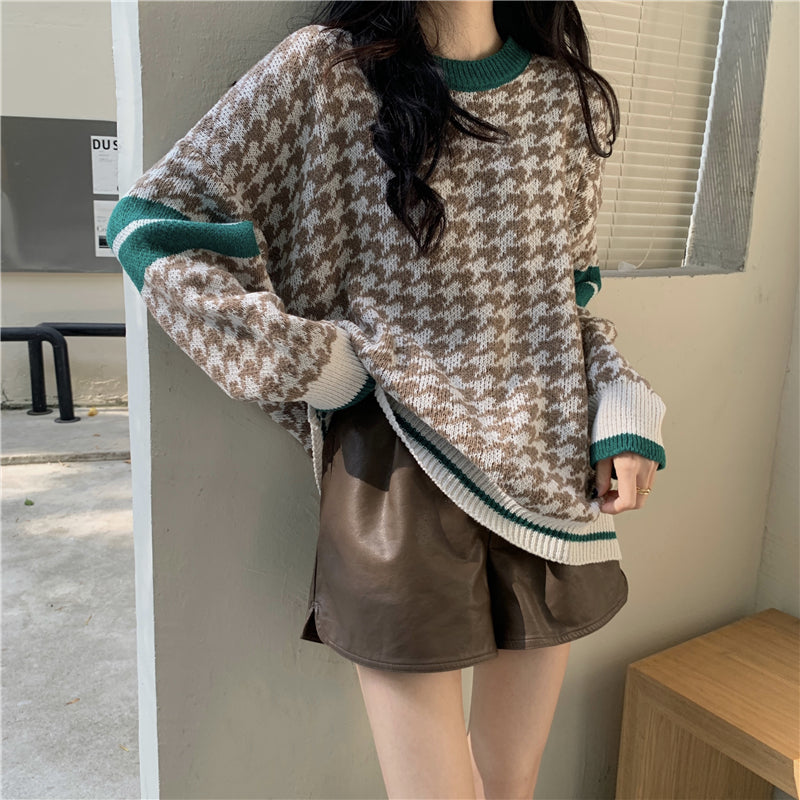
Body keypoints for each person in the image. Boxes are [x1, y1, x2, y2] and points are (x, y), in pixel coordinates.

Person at [108, 1, 667, 796]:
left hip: (550, 476)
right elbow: (152, 223)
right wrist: (320, 365)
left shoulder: (562, 100)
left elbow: (563, 310)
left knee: (511, 784)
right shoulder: (326, 72)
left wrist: (621, 408)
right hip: (400, 469)